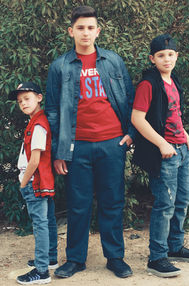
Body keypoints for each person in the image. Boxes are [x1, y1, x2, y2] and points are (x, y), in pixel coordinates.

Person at [45, 5, 135, 279]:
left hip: (112, 144)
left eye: (90, 27)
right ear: (71, 31)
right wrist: (59, 152)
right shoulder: (60, 65)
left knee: (112, 201)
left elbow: (129, 99)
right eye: (80, 28)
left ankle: (115, 257)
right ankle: (75, 259)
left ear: (98, 30)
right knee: (78, 204)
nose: (86, 32)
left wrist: (130, 132)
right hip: (77, 146)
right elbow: (51, 110)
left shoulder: (113, 61)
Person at [131, 34, 189, 278]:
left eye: (171, 54)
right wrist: (162, 144)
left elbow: (174, 115)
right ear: (153, 58)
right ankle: (157, 257)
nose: (166, 58)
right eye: (161, 55)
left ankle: (175, 247)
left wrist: (186, 136)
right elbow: (137, 119)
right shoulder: (148, 84)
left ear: (177, 57)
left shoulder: (174, 81)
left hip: (181, 149)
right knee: (165, 205)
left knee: (182, 200)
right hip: (164, 153)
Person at [8, 82, 58, 284]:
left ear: (39, 97)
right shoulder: (37, 121)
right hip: (41, 181)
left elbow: (35, 160)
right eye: (20, 101)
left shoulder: (38, 124)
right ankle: (50, 258)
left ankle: (42, 271)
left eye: (27, 98)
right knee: (48, 221)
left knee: (40, 224)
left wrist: (23, 183)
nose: (23, 103)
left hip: (34, 182)